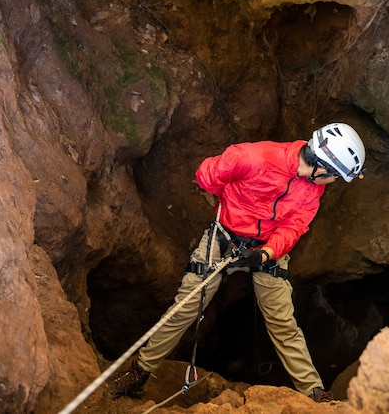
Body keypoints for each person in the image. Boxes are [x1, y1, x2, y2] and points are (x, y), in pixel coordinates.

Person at [112, 123, 366, 402]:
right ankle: (140, 372)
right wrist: (227, 207)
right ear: (322, 166)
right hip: (224, 237)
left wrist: (264, 254)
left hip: (267, 249)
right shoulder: (252, 158)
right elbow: (206, 175)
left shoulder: (312, 190)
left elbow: (294, 227)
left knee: (282, 321)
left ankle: (314, 393)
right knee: (185, 307)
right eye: (336, 176)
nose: (333, 182)